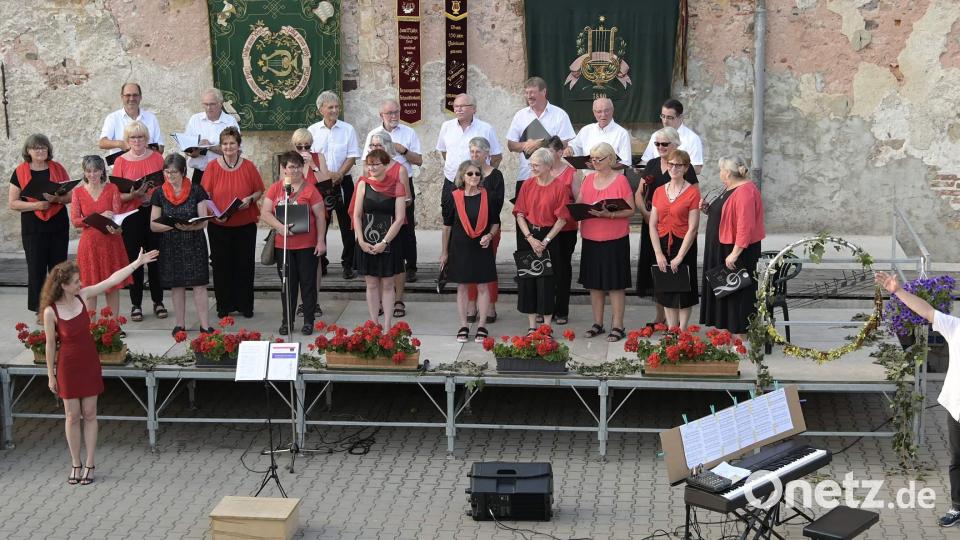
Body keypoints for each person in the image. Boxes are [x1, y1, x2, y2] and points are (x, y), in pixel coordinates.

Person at [41, 248, 159, 485]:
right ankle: (75, 462)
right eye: (75, 282)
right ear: (63, 285)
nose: (80, 284)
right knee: (72, 416)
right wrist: (50, 375)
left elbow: (111, 280)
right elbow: (50, 346)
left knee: (90, 413)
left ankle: (90, 463)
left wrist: (137, 263)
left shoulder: (83, 296)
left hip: (88, 361)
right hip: (67, 366)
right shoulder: (50, 312)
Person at [874, 271, 960, 528]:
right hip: (956, 407)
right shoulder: (956, 328)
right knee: (957, 460)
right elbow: (927, 311)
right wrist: (898, 291)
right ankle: (957, 507)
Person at [635, 127, 698, 326]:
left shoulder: (687, 172)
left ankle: (681, 327)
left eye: (664, 143)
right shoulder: (653, 165)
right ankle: (664, 319)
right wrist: (645, 214)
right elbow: (640, 192)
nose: (660, 147)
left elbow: (693, 206)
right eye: (657, 144)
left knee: (681, 280)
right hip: (656, 229)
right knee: (660, 274)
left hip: (680, 231)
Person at [260, 152, 326, 336]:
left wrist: (320, 241)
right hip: (284, 245)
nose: (295, 170)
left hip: (307, 245)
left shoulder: (310, 190)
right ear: (283, 169)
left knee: (307, 283)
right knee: (287, 284)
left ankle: (308, 320)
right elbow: (265, 213)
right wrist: (280, 227)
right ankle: (287, 321)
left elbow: (321, 216)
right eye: (291, 166)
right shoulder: (276, 189)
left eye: (298, 166)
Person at [201, 127, 264, 319]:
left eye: (232, 143)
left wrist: (250, 200)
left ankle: (245, 305)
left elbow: (259, 190)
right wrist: (214, 213)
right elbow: (205, 196)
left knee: (245, 265)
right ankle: (224, 305)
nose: (228, 147)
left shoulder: (248, 166)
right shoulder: (212, 168)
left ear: (238, 145)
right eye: (225, 144)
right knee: (221, 266)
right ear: (221, 146)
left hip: (245, 224)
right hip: (219, 225)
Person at [699, 156, 765, 336]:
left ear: (727, 173)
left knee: (737, 294)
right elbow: (725, 212)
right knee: (726, 293)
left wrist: (735, 253)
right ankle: (727, 335)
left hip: (734, 250)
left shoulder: (744, 191)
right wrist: (708, 209)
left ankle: (740, 339)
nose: (720, 173)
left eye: (721, 170)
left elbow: (745, 225)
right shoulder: (730, 187)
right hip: (722, 247)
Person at [576, 143, 635, 342]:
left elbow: (630, 210)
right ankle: (597, 323)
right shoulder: (588, 179)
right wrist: (576, 209)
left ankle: (618, 325)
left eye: (599, 159)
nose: (595, 163)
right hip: (591, 238)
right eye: (592, 159)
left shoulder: (621, 181)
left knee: (615, 284)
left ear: (610, 159)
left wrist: (608, 214)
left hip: (614, 239)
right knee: (594, 284)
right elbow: (580, 202)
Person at [8, 134, 72, 312]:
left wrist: (57, 199)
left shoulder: (58, 168)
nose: (41, 150)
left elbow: (70, 196)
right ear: (28, 151)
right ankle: (40, 308)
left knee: (59, 268)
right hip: (33, 225)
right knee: (36, 268)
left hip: (58, 223)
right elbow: (13, 203)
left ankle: (59, 305)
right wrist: (36, 204)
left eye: (44, 147)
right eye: (36, 148)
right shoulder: (19, 171)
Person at [362, 98, 423, 283]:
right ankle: (379, 262)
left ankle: (410, 266)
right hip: (378, 184)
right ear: (381, 115)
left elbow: (419, 160)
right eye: (390, 113)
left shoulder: (409, 132)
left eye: (396, 112)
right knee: (378, 223)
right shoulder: (373, 134)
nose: (394, 116)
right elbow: (366, 162)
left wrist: (402, 150)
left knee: (406, 226)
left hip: (402, 182)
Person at [150, 154, 211, 335]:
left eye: (174, 172)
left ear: (184, 172)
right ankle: (180, 324)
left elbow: (204, 221)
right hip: (170, 244)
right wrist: (173, 226)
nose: (170, 176)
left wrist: (191, 226)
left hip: (194, 243)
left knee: (199, 285)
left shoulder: (197, 190)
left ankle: (205, 326)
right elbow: (153, 225)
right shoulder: (159, 193)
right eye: (166, 172)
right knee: (177, 285)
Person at [512, 148, 573, 333]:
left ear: (548, 166)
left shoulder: (560, 187)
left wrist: (545, 241)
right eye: (531, 165)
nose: (532, 168)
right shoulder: (527, 184)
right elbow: (519, 213)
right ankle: (532, 327)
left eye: (536, 165)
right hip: (529, 236)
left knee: (547, 281)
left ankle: (546, 327)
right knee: (528, 281)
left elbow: (562, 219)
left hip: (549, 237)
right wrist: (530, 238)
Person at [112, 120, 166, 322]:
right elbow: (115, 194)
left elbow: (165, 188)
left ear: (146, 139)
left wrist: (150, 197)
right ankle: (136, 304)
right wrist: (134, 195)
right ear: (127, 140)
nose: (137, 141)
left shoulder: (157, 159)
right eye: (133, 137)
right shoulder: (121, 162)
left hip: (153, 211)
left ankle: (158, 300)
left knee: (155, 258)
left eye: (140, 137)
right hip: (131, 215)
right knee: (134, 260)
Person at [442, 161, 500, 343]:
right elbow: (447, 227)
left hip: (481, 247)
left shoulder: (487, 196)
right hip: (460, 247)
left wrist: (490, 236)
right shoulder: (454, 197)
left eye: (477, 174)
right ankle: (464, 325)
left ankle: (482, 325)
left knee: (483, 286)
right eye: (470, 174)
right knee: (462, 286)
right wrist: (444, 252)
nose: (474, 177)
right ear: (462, 176)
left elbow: (495, 222)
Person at [349, 149, 407, 328]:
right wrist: (360, 240)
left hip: (389, 241)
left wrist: (384, 242)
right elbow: (357, 215)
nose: (371, 167)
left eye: (376, 164)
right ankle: (374, 325)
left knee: (388, 284)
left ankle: (388, 326)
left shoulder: (397, 186)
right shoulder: (362, 184)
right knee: (372, 283)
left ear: (386, 165)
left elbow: (399, 219)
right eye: (369, 163)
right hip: (366, 241)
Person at [308, 91, 360, 279]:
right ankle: (321, 261)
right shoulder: (312, 131)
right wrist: (325, 175)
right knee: (321, 222)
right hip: (320, 183)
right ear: (321, 109)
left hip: (343, 180)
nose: (335, 110)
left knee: (348, 224)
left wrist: (339, 174)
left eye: (337, 107)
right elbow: (310, 158)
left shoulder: (348, 129)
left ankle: (349, 263)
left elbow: (352, 155)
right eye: (330, 107)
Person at [69, 155, 130, 315]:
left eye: (96, 171)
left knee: (112, 285)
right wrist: (99, 216)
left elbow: (117, 218)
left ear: (102, 171)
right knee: (90, 286)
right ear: (84, 172)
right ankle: (92, 328)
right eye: (88, 171)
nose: (92, 175)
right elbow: (75, 221)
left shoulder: (112, 189)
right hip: (89, 245)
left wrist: (117, 228)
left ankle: (114, 325)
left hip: (110, 242)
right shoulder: (78, 192)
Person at [648, 150, 701, 330]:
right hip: (662, 244)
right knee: (666, 289)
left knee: (684, 289)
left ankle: (683, 329)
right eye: (671, 164)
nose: (673, 168)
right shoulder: (658, 191)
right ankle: (671, 329)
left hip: (684, 244)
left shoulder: (693, 192)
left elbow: (693, 228)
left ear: (686, 168)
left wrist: (679, 256)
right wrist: (658, 253)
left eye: (678, 165)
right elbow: (652, 224)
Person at [367, 131, 413, 319]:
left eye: (379, 145)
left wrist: (391, 205)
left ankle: (398, 299)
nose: (376, 149)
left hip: (394, 222)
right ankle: (378, 300)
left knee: (397, 262)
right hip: (372, 223)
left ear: (388, 146)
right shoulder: (368, 167)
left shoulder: (399, 168)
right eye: (373, 146)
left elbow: (407, 198)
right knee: (375, 261)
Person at [506, 77, 575, 196]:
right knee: (523, 213)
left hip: (552, 176)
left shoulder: (559, 115)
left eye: (532, 92)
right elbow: (511, 145)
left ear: (544, 92)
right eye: (526, 92)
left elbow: (565, 143)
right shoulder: (520, 115)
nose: (529, 96)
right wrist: (526, 145)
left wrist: (540, 143)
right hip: (526, 174)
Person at [436, 93, 502, 216]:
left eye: (463, 106)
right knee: (448, 218)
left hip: (477, 183)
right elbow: (444, 151)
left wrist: (484, 175)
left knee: (476, 218)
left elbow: (496, 156)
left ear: (474, 108)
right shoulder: (446, 127)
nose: (458, 109)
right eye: (455, 106)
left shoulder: (486, 128)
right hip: (452, 181)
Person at [464, 137, 505, 325]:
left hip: (490, 227)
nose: (474, 155)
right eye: (471, 152)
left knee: (487, 267)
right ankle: (471, 304)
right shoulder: (467, 173)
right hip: (468, 228)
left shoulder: (496, 176)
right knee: (471, 266)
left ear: (487, 153)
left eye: (477, 152)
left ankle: (490, 306)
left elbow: (497, 204)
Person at [543, 136, 579, 326]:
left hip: (565, 228)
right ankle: (545, 307)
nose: (546, 156)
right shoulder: (541, 170)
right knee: (544, 269)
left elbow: (578, 199)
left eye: (549, 152)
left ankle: (561, 309)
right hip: (544, 225)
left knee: (562, 268)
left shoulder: (571, 173)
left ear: (559, 152)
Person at [183, 87, 240, 182]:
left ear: (220, 104)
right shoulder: (195, 119)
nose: (208, 108)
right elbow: (186, 148)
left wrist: (209, 146)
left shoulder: (230, 121)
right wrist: (192, 152)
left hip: (224, 172)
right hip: (200, 174)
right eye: (206, 104)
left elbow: (237, 150)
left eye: (212, 104)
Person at [99, 82, 163, 157]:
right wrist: (121, 144)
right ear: (122, 97)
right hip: (121, 167)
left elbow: (161, 148)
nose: (132, 98)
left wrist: (144, 147)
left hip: (148, 166)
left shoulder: (151, 118)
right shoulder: (112, 118)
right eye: (128, 95)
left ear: (140, 97)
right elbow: (102, 143)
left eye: (135, 95)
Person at [640, 99, 704, 173]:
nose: (665, 121)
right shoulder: (656, 135)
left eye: (669, 117)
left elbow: (697, 168)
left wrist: (672, 172)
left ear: (680, 117)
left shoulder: (692, 139)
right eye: (663, 116)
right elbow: (646, 161)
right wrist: (639, 167)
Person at [564, 97, 632, 166]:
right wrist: (570, 149)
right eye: (599, 111)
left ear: (612, 110)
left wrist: (602, 166)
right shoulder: (586, 130)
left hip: (611, 175)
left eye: (606, 111)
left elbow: (626, 163)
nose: (603, 115)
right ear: (594, 113)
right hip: (587, 174)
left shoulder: (622, 133)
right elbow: (575, 147)